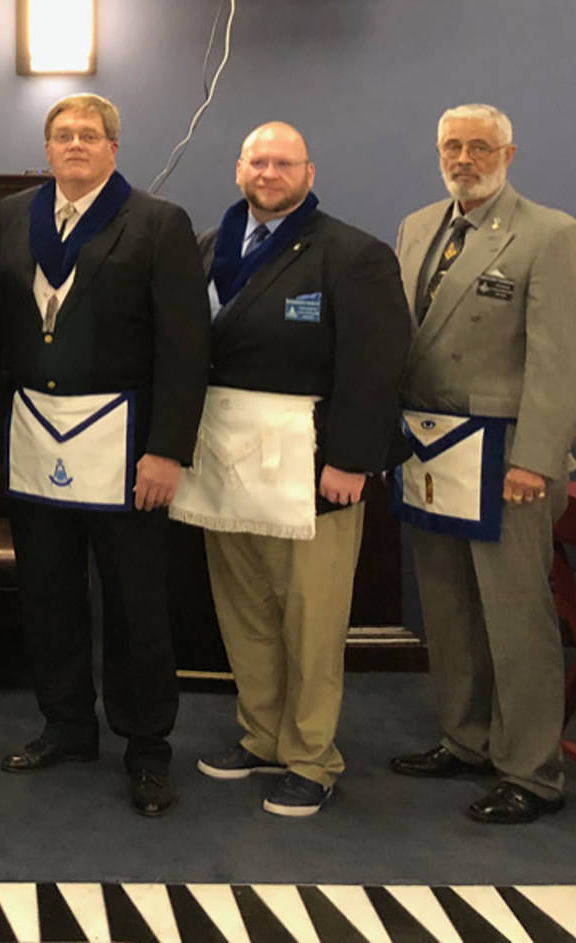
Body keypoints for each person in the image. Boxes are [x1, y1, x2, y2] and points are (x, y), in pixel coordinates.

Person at [170, 122, 411, 817]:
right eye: (258, 161)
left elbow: (377, 363)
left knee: (311, 618)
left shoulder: (353, 254)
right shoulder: (208, 247)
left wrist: (352, 459)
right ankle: (262, 735)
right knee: (244, 610)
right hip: (224, 459)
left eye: (283, 162)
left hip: (311, 468)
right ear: (238, 168)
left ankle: (311, 757)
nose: (269, 173)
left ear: (309, 172)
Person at [0, 93, 210, 818]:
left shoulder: (157, 222)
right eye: (63, 134)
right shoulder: (13, 216)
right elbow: (0, 331)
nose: (75, 144)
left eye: (89, 134)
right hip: (35, 437)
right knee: (48, 591)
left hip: (125, 446)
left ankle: (146, 745)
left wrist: (167, 449)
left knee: (135, 600)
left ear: (114, 147)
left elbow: (185, 347)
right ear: (47, 148)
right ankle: (66, 725)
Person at [387, 103, 576, 824]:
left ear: (509, 154)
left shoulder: (550, 234)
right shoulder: (419, 227)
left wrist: (536, 458)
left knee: (515, 616)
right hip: (431, 446)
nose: (464, 159)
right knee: (447, 606)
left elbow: (562, 360)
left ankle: (531, 771)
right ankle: (466, 738)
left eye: (480, 146)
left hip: (507, 457)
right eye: (452, 145)